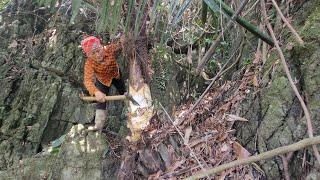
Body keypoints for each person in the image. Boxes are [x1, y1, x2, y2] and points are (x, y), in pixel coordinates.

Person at [81, 35, 126, 131]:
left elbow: (120, 45)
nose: (98, 54)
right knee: (101, 101)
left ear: (101, 46)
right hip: (103, 81)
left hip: (116, 75)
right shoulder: (89, 63)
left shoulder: (109, 49)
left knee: (123, 89)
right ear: (88, 55)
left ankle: (127, 103)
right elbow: (87, 80)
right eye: (93, 53)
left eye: (98, 50)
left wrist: (124, 41)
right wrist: (95, 92)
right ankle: (98, 125)